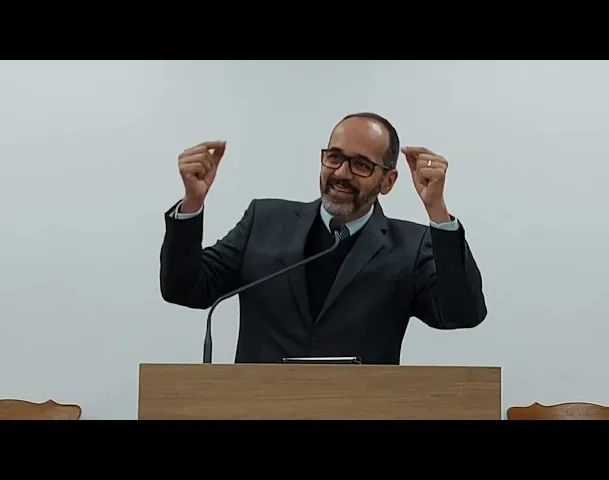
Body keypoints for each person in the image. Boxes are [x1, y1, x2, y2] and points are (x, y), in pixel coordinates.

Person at [160, 112, 487, 364]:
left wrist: (437, 212)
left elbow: (461, 313)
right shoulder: (264, 221)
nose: (342, 173)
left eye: (361, 165)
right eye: (334, 157)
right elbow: (185, 288)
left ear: (387, 181)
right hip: (260, 407)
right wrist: (192, 203)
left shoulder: (411, 245)